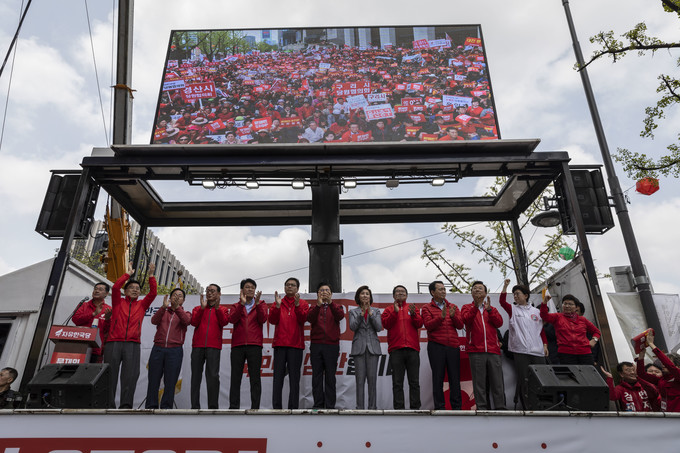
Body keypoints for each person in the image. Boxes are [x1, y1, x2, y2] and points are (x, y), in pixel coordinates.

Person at [105, 261, 157, 409]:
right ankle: (108, 405)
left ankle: (126, 406)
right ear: (126, 291)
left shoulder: (142, 305)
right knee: (109, 375)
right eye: (131, 288)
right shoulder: (117, 302)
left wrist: (151, 275)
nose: (135, 290)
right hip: (113, 342)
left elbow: (153, 293)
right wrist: (128, 274)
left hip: (133, 343)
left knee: (130, 376)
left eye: (137, 289)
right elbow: (115, 287)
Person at [499, 279, 547, 410]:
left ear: (526, 295)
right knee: (525, 380)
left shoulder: (536, 312)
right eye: (514, 294)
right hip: (521, 351)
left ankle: (542, 408)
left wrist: (545, 345)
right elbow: (502, 302)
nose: (515, 296)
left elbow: (541, 330)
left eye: (518, 294)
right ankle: (528, 408)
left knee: (541, 379)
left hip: (537, 351)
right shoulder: (513, 309)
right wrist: (505, 286)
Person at [461, 280, 506, 410]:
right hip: (476, 350)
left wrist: (490, 310)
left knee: (497, 382)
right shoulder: (466, 307)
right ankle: (481, 409)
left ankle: (501, 408)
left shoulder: (491, 308)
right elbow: (466, 320)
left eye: (480, 288)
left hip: (493, 350)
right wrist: (475, 306)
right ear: (471, 293)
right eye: (474, 288)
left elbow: (499, 323)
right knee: (479, 383)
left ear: (485, 293)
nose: (477, 290)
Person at [145, 288, 191, 409]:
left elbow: (186, 321)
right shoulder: (163, 311)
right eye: (174, 295)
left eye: (180, 296)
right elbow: (154, 321)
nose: (177, 297)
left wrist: (177, 308)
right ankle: (151, 406)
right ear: (170, 298)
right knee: (153, 380)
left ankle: (166, 408)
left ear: (183, 300)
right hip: (158, 349)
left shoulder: (186, 313)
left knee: (170, 382)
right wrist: (163, 307)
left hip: (174, 351)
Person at [421, 280, 464, 410]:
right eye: (440, 289)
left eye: (444, 289)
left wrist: (453, 316)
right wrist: (441, 316)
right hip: (436, 346)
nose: (443, 291)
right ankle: (440, 407)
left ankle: (457, 408)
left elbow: (460, 325)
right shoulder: (426, 308)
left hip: (453, 346)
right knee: (438, 378)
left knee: (454, 378)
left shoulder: (453, 307)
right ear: (432, 292)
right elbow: (428, 325)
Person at [269, 277, 308, 409]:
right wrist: (277, 306)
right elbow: (272, 320)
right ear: (284, 288)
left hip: (296, 346)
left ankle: (293, 408)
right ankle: (276, 408)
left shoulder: (303, 303)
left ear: (297, 288)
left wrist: (297, 306)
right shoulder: (278, 302)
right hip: (280, 345)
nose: (290, 287)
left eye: (292, 285)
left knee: (294, 379)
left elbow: (303, 319)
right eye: (287, 285)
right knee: (278, 378)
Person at [228, 278, 267, 409]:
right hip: (237, 345)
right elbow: (232, 319)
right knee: (235, 378)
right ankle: (234, 407)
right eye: (247, 287)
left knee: (255, 378)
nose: (250, 289)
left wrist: (258, 304)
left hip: (254, 345)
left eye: (252, 287)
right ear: (242, 290)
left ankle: (255, 407)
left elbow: (263, 319)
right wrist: (241, 304)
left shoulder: (261, 304)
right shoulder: (236, 306)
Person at [381, 285, 422, 409]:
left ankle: (416, 408)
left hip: (412, 349)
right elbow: (386, 324)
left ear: (407, 295)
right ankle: (399, 409)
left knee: (414, 382)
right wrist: (395, 312)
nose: (400, 293)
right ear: (393, 296)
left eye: (403, 291)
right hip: (396, 350)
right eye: (398, 291)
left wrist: (414, 314)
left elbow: (419, 324)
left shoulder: (413, 308)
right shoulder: (388, 310)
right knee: (397, 382)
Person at [190, 283, 228, 409]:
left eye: (213, 291)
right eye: (208, 290)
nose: (210, 293)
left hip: (214, 346)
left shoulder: (223, 309)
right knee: (195, 377)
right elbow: (193, 322)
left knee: (213, 377)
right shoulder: (198, 308)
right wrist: (202, 309)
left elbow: (224, 322)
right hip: (198, 346)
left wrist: (217, 308)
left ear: (219, 294)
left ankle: (213, 407)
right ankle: (195, 407)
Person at [307, 281, 344, 409]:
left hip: (332, 345)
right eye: (321, 290)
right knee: (316, 376)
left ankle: (330, 405)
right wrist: (318, 306)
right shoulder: (313, 307)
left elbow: (340, 316)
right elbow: (310, 318)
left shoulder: (337, 306)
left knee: (330, 376)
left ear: (331, 294)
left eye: (327, 290)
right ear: (317, 294)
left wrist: (330, 303)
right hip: (316, 345)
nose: (324, 292)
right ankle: (318, 404)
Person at [540, 294, 600, 365]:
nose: (567, 306)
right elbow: (544, 316)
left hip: (585, 353)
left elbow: (596, 331)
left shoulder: (583, 320)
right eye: (565, 303)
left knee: (588, 371)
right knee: (570, 372)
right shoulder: (557, 317)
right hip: (566, 354)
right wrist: (544, 303)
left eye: (570, 304)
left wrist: (594, 340)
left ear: (576, 307)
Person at [349, 285, 383, 410]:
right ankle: (360, 408)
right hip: (359, 348)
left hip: (373, 348)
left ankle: (372, 408)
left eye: (367, 294)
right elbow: (352, 327)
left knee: (372, 380)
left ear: (370, 297)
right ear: (358, 297)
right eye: (362, 293)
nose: (365, 295)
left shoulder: (376, 311)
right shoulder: (353, 312)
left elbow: (378, 327)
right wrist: (360, 315)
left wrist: (370, 314)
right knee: (359, 381)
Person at [636, 331, 680, 411]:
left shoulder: (678, 376)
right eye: (662, 363)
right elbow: (641, 374)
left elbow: (669, 365)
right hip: (665, 415)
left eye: (665, 363)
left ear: (678, 367)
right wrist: (641, 356)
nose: (663, 364)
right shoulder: (661, 380)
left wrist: (652, 344)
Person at [72, 281, 111, 363]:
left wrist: (107, 319)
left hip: (96, 349)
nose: (97, 291)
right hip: (79, 345)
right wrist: (93, 314)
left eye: (100, 289)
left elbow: (108, 331)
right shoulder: (84, 305)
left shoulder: (108, 309)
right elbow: (75, 320)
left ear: (106, 293)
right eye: (95, 289)